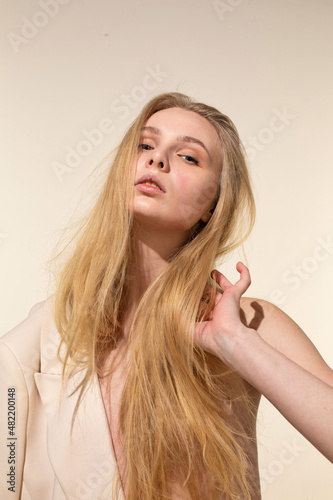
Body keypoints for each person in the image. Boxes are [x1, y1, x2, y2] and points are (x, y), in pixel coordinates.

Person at [0, 92, 332, 500]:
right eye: (145, 145)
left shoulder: (249, 322)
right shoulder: (53, 329)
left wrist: (236, 343)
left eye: (189, 157)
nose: (156, 160)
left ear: (214, 202)